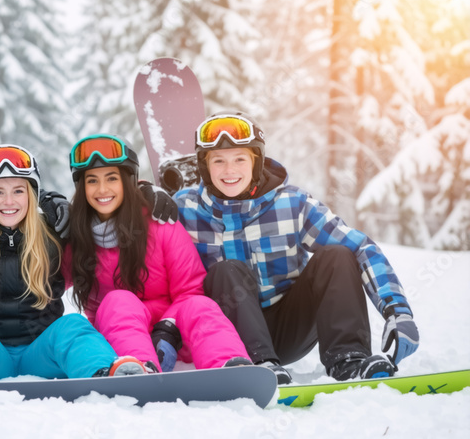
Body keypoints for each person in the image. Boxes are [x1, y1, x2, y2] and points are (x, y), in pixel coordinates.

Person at [175, 112, 419, 382]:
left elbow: (360, 247)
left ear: (256, 162)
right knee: (225, 270)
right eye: (218, 161)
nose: (229, 170)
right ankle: (261, 367)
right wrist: (147, 199)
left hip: (290, 326)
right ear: (204, 167)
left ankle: (348, 360)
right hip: (229, 335)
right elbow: (141, 242)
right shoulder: (184, 209)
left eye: (240, 159)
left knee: (337, 255)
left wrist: (397, 310)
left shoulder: (293, 204)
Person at [0, 145, 144, 381]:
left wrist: (146, 195)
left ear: (32, 194)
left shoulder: (54, 231)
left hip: (42, 353)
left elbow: (104, 214)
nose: (9, 201)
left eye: (18, 191)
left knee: (73, 324)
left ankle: (102, 371)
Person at [62, 134, 253, 375]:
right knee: (118, 300)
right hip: (117, 339)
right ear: (82, 187)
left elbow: (189, 289)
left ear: (128, 182)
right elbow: (46, 284)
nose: (102, 189)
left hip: (174, 336)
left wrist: (167, 327)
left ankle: (230, 366)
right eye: (92, 181)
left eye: (112, 178)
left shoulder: (159, 223)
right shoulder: (76, 237)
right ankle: (138, 369)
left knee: (200, 304)